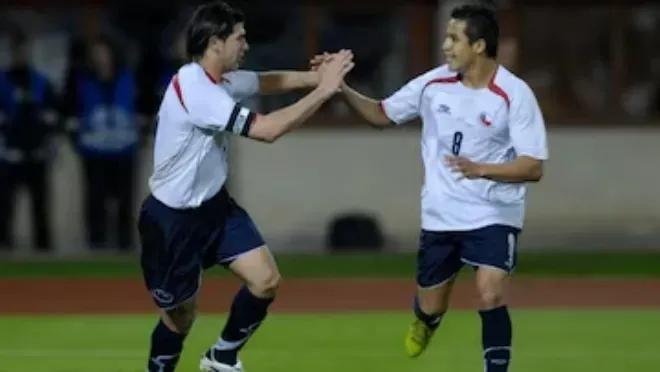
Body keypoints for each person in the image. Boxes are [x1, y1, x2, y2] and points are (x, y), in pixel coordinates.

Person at [312, 4, 548, 372]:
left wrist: (481, 169)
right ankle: (427, 320)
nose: (445, 46)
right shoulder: (432, 84)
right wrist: (339, 88)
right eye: (445, 37)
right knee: (433, 304)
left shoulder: (514, 95)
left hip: (494, 213)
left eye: (454, 39)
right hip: (442, 215)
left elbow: (533, 166)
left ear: (480, 46)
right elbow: (381, 114)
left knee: (490, 291)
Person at [138, 2, 353, 372]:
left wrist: (322, 76)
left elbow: (269, 80)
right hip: (173, 221)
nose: (246, 45)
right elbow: (266, 130)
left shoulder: (220, 81)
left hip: (215, 208)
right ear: (215, 42)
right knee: (180, 318)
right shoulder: (196, 89)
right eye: (240, 37)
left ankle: (222, 357)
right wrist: (323, 93)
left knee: (265, 279)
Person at [62, 36, 148, 252]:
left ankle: (124, 243)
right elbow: (70, 111)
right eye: (96, 54)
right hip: (94, 150)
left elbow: (144, 109)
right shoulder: (82, 81)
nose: (100, 58)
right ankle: (97, 242)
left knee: (125, 198)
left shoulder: (129, 79)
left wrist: (142, 130)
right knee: (95, 199)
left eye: (104, 52)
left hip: (125, 148)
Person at [0, 30, 59, 252]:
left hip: (37, 152)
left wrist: (48, 132)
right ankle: (4, 247)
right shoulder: (2, 81)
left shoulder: (41, 82)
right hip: (9, 154)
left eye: (25, 51)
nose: (21, 55)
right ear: (11, 53)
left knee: (41, 205)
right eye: (17, 51)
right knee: (5, 205)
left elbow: (54, 112)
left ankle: (43, 248)